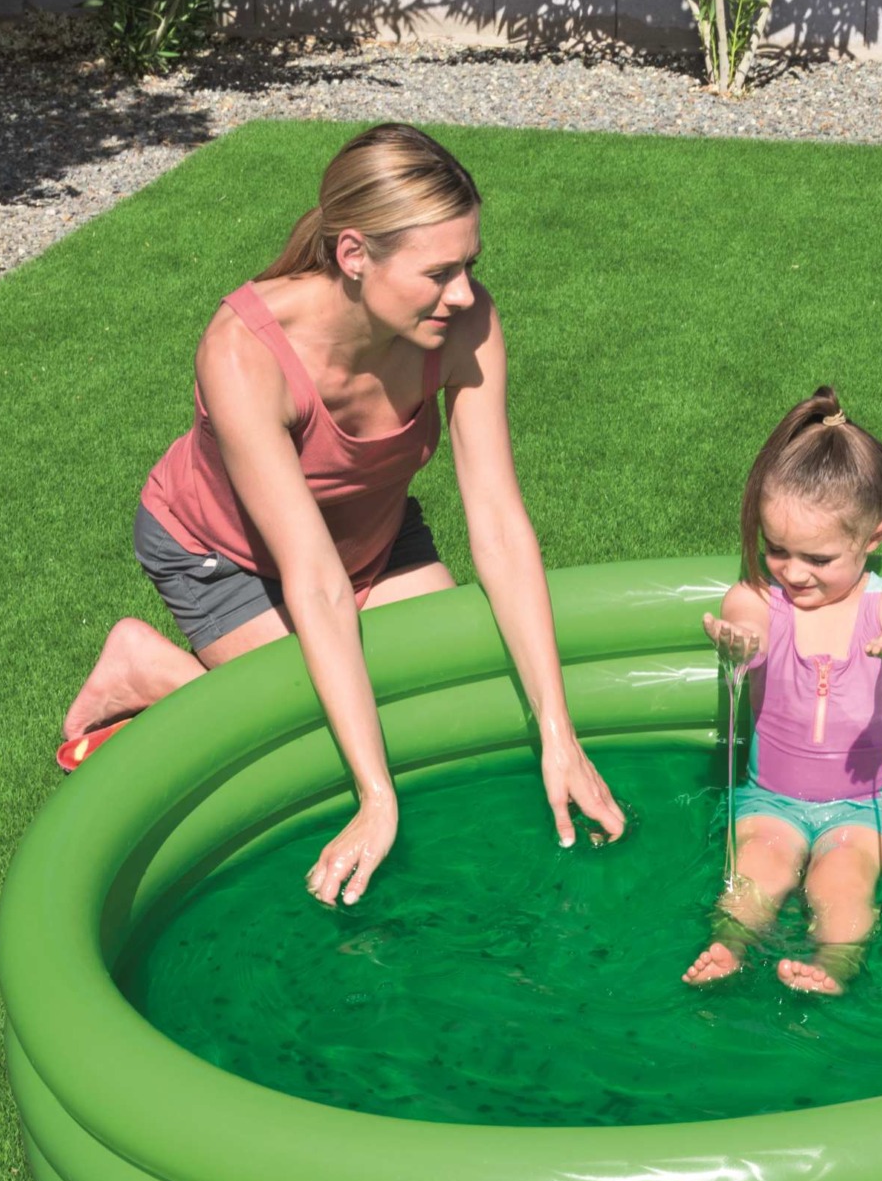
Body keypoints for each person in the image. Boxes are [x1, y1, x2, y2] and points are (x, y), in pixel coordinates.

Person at [59, 122, 625, 905]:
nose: (465, 293)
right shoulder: (245, 351)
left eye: (470, 264)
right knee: (312, 735)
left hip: (374, 535)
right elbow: (313, 578)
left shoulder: (462, 324)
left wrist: (560, 735)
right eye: (439, 272)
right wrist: (374, 795)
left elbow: (497, 523)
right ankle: (147, 668)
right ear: (354, 255)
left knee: (453, 698)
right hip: (226, 558)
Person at [683, 388, 882, 995]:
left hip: (869, 806)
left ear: (873, 537)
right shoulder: (758, 599)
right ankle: (729, 946)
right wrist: (740, 644)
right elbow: (748, 624)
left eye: (818, 558)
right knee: (756, 868)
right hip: (770, 799)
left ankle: (835, 965)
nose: (794, 572)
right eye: (776, 550)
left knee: (842, 878)